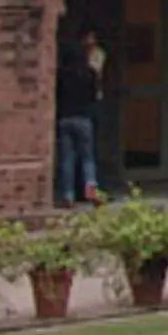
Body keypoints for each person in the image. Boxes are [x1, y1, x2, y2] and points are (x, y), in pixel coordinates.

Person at [54, 24, 104, 208]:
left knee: (67, 159)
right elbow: (94, 95)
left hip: (65, 118)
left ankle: (68, 195)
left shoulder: (61, 74)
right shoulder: (89, 74)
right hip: (84, 118)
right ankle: (91, 192)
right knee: (87, 158)